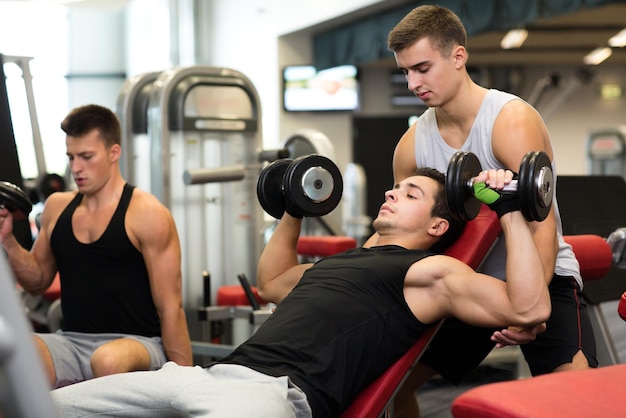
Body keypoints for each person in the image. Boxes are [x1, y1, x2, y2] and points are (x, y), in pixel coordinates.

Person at [51, 167, 551, 417]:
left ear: (440, 225)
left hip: (271, 396)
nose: (392, 192)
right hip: (199, 376)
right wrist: (293, 204)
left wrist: (508, 208)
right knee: (38, 406)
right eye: (395, 188)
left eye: (410, 193)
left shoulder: (427, 271)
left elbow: (527, 305)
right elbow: (272, 282)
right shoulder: (339, 263)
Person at [382, 5, 597, 416]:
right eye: (406, 72)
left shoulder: (509, 121)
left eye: (423, 68)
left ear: (458, 57)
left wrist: (531, 307)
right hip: (465, 286)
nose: (413, 83)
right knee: (389, 384)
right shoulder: (411, 144)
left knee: (575, 392)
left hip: (541, 274)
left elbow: (543, 225)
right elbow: (401, 237)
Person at [0, 104, 192, 389]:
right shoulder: (57, 207)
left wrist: (186, 384)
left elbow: (170, 307)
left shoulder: (146, 213)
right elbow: (37, 281)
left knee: (108, 360)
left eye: (86, 157)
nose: (76, 168)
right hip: (71, 342)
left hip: (138, 344)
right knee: (15, 354)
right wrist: (7, 239)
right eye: (71, 157)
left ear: (114, 153)